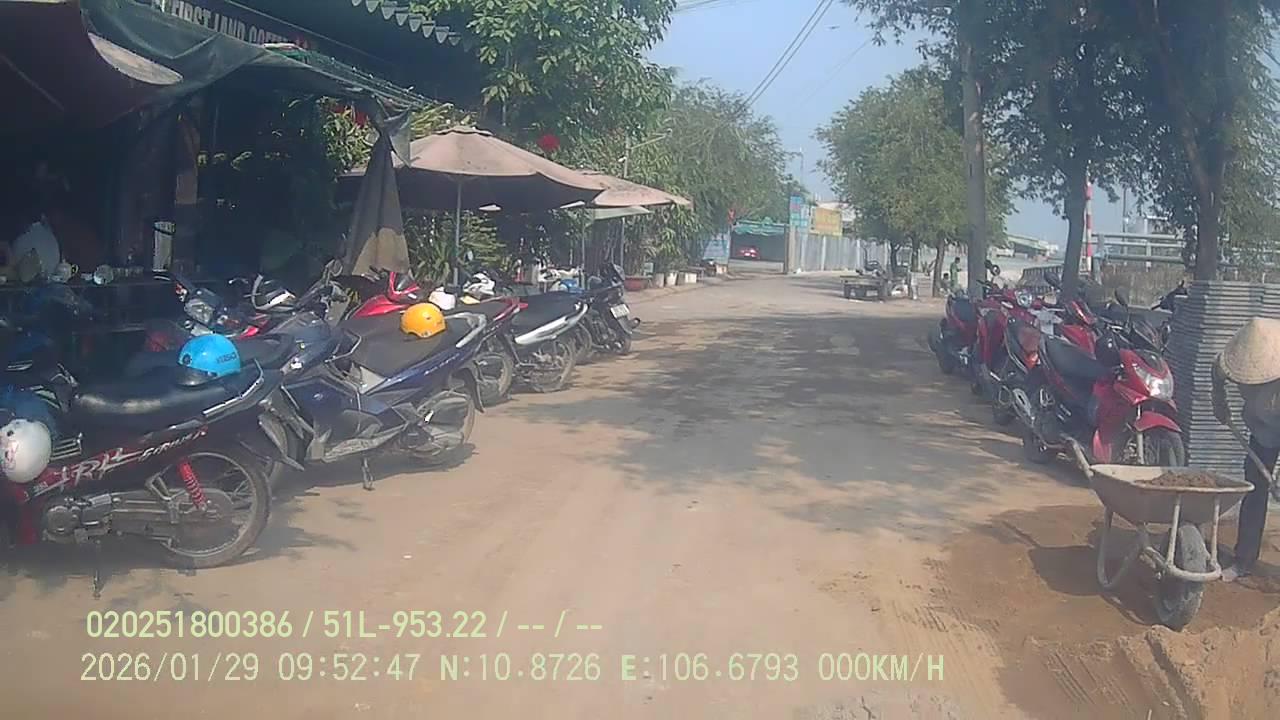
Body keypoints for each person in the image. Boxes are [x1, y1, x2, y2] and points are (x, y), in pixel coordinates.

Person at [1212, 317, 1280, 581]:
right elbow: (1216, 371)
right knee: (1255, 490)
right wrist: (1219, 401)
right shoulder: (1231, 361)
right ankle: (1244, 560)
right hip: (1262, 431)